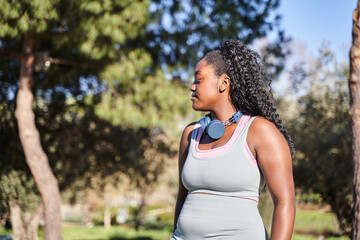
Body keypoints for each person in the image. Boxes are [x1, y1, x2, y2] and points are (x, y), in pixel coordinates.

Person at [170, 40, 295, 240]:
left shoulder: (260, 132)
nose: (192, 87)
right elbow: (182, 198)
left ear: (224, 83)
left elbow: (285, 203)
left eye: (199, 79)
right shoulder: (190, 134)